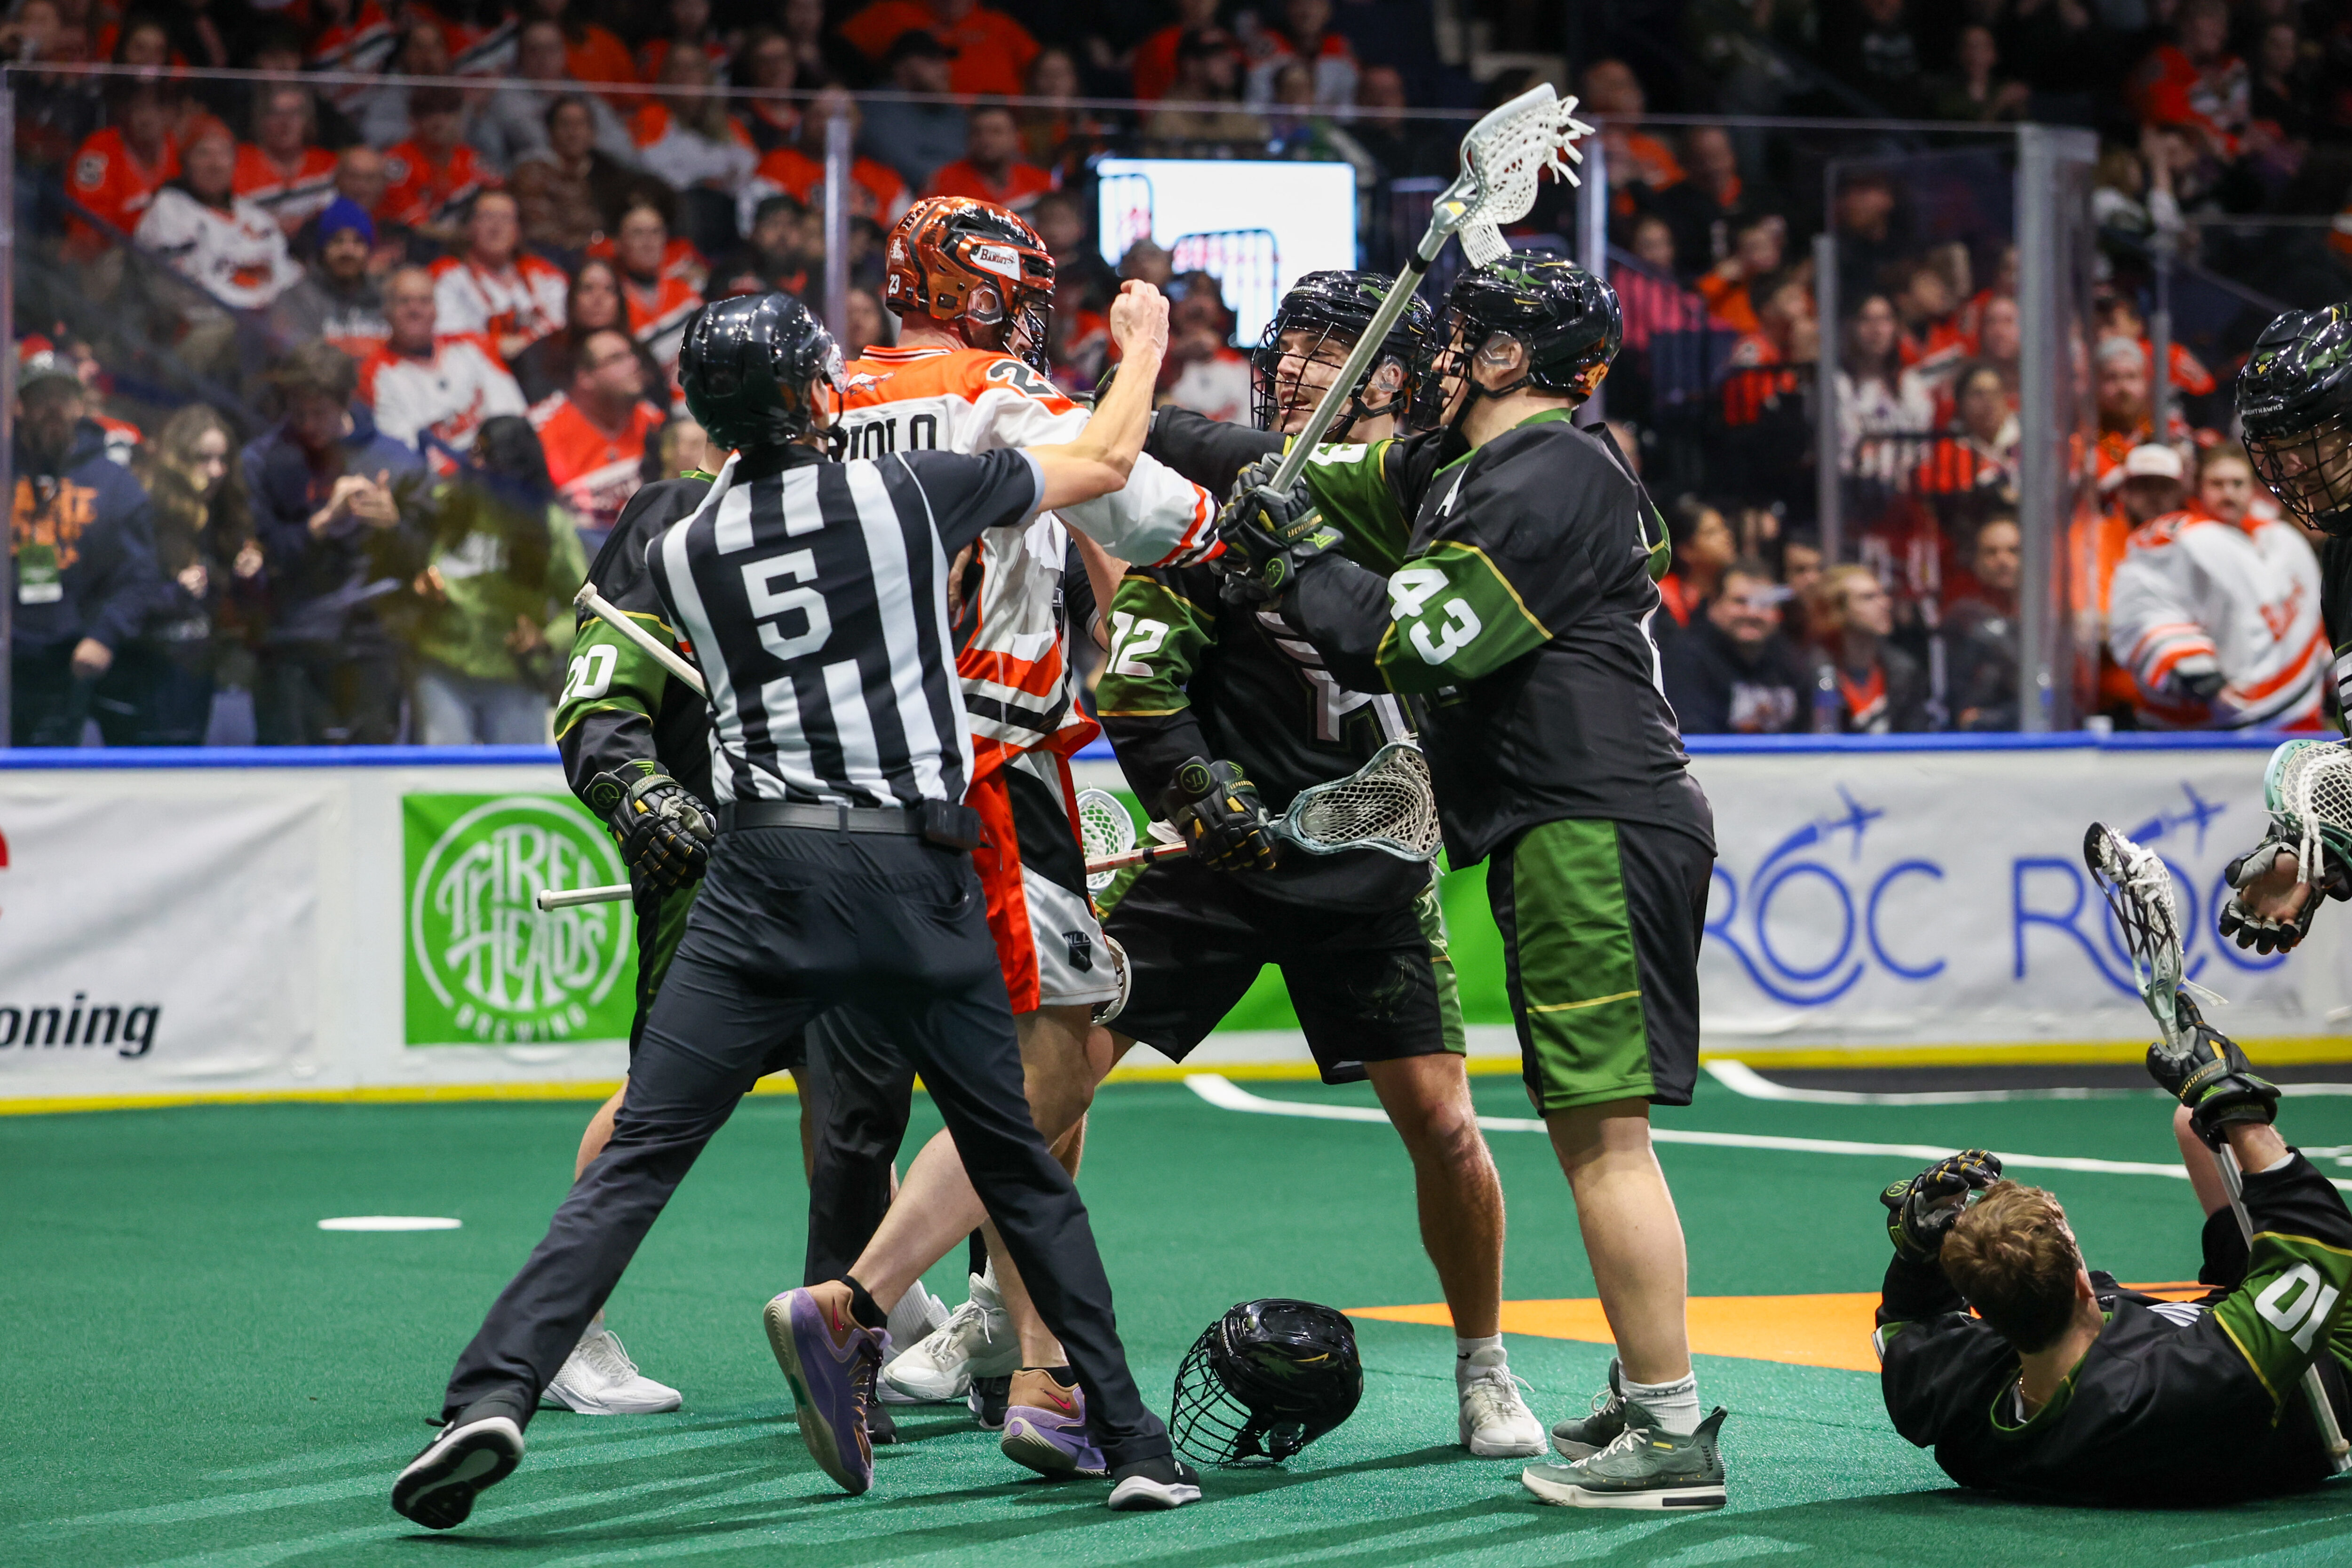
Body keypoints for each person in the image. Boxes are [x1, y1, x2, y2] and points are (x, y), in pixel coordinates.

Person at [389, 286, 1203, 1529]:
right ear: (822, 394)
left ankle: (487, 1395)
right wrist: (1141, 349)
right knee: (1017, 1155)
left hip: (758, 876)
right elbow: (1101, 461)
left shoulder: (682, 545)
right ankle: (1132, 1438)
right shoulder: (904, 491)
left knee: (642, 1155)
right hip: (911, 868)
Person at [1216, 255, 1728, 1508]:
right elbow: (1277, 464)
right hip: (1585, 815)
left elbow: (1406, 639)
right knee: (1594, 1130)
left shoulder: (1547, 473)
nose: (1437, 358)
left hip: (1592, 817)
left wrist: (1297, 564)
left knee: (1603, 1137)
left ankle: (1670, 1432)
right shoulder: (1491, 468)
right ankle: (1647, 1390)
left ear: (1505, 358)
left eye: (1462, 340)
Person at [1087, 268, 1539, 1459]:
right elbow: (1138, 674)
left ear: (1395, 375)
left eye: (1326, 349)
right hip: (1216, 855)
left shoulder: (1448, 503)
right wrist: (1194, 788)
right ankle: (999, 1320)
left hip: (1368, 863)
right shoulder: (1225, 495)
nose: (1292, 367)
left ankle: (1484, 1365)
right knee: (1048, 1071)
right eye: (1285, 345)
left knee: (1445, 1124)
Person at [815, 199, 1221, 1467]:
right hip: (987, 764)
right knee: (1058, 1057)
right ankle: (858, 1304)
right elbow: (1143, 507)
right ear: (982, 293)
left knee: (985, 1065)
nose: (1034, 317)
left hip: (844, 773)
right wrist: (1146, 354)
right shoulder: (991, 390)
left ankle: (1039, 1369)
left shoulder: (823, 405)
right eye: (1023, 295)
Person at [1875, 1000, 2352, 1503]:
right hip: (2325, 1350)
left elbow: (1911, 1335)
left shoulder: (1972, 1404)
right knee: (2206, 1118)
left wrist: (1920, 1253)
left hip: (2228, 1324)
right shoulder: (2176, 1385)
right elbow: (2318, 1256)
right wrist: (2240, 1109)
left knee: (2190, 1121)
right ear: (2083, 1285)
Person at [2212, 302, 2352, 958]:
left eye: (2304, 442)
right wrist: (2317, 855)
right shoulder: (2342, 556)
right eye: (2274, 450)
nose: (2289, 468)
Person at [241, 341, 427, 745]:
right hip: (291, 644)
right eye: (298, 412)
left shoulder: (397, 461)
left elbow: (427, 558)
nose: (309, 424)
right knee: (289, 771)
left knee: (372, 768)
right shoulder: (260, 460)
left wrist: (393, 525)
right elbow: (259, 556)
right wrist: (323, 523)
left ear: (344, 402)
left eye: (320, 412)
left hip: (371, 645)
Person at [2106, 442, 2326, 731]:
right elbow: (2146, 609)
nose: (2228, 493)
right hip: (2207, 731)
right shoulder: (2176, 539)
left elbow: (2310, 617)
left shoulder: (2281, 540)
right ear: (2197, 489)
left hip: (2296, 718)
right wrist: (2203, 680)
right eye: (2217, 484)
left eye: (2238, 483)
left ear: (2253, 489)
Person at [8, 354, 162, 746]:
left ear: (80, 405)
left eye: (62, 397)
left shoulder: (114, 483)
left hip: (72, 656)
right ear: (21, 407)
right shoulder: (6, 471)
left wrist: (105, 635)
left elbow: (140, 574)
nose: (53, 408)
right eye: (41, 397)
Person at [407, 416, 585, 745]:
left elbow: (584, 605)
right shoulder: (449, 501)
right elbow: (409, 556)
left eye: (489, 457)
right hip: (443, 662)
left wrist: (546, 640)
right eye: (475, 452)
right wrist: (419, 582)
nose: (477, 464)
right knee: (442, 767)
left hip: (512, 671)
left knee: (517, 770)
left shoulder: (549, 525)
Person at [134, 403, 260, 745]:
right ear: (177, 460)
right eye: (203, 459)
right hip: (148, 670)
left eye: (223, 459)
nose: (216, 471)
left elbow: (240, 605)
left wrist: (246, 571)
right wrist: (174, 593)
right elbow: (120, 594)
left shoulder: (225, 515)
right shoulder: (146, 511)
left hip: (203, 668)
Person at [358, 267, 530, 471]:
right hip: (442, 482)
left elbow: (514, 416)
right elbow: (405, 455)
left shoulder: (471, 347)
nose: (415, 310)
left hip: (502, 467)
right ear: (387, 311)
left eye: (424, 301)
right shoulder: (374, 374)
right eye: (404, 302)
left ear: (436, 309)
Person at [134, 124, 303, 314]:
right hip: (206, 320)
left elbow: (288, 276)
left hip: (269, 320)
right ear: (185, 164)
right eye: (203, 154)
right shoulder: (168, 210)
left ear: (235, 162)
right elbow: (178, 291)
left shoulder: (257, 218)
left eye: (223, 154)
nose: (215, 164)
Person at [474, 17, 641, 172]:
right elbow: (488, 155)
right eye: (534, 50)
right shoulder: (505, 99)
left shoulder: (582, 96)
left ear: (563, 54)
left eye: (551, 49)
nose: (544, 58)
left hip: (589, 178)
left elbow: (624, 152)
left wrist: (586, 145)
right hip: (529, 182)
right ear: (521, 56)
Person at [1662, 557, 1808, 734]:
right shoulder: (1684, 659)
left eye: (1764, 604)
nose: (1753, 613)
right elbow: (1691, 736)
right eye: (1740, 602)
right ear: (1714, 604)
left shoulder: (1792, 661)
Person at [430, 191, 570, 364]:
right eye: (487, 217)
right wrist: (496, 345)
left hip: (542, 366)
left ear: (518, 230)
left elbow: (563, 328)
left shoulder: (547, 275)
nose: (496, 227)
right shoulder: (447, 276)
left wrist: (523, 342)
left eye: (506, 218)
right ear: (469, 227)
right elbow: (447, 336)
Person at [1807, 565, 1930, 733]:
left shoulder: (1904, 671)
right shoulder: (1814, 671)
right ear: (1838, 609)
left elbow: (1916, 738)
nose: (1885, 604)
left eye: (1882, 595)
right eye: (1868, 598)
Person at [268, 197, 389, 362]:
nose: (348, 251)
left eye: (358, 242)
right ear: (323, 249)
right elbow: (297, 360)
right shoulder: (295, 300)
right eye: (338, 241)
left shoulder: (385, 299)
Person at [381, 86, 497, 240]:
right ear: (413, 120)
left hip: (464, 244)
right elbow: (414, 226)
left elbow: (501, 197)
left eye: (448, 112)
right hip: (409, 244)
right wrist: (466, 237)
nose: (439, 121)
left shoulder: (472, 159)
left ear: (459, 117)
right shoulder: (397, 162)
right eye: (429, 113)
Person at [859, 30, 969, 193]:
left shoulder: (953, 112)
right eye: (932, 60)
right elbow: (902, 166)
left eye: (944, 60)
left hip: (958, 199)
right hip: (900, 202)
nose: (945, 69)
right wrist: (953, 180)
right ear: (901, 67)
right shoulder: (879, 106)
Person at [1941, 516, 2021, 731]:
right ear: (1977, 561)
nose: (2003, 560)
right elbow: (1964, 707)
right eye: (1991, 552)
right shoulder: (1963, 617)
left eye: (2014, 551)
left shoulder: (2045, 614)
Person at [612, 196, 704, 376]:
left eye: (656, 232)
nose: (649, 243)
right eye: (638, 233)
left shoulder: (686, 291)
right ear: (620, 244)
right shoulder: (612, 302)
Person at [232, 83, 338, 236]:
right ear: (261, 119)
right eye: (276, 113)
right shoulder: (237, 163)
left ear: (308, 120)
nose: (286, 123)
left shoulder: (329, 164)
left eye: (295, 113)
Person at [924, 102, 1052, 211]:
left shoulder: (1042, 184)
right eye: (978, 132)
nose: (986, 140)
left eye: (996, 132)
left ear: (1016, 138)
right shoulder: (943, 182)